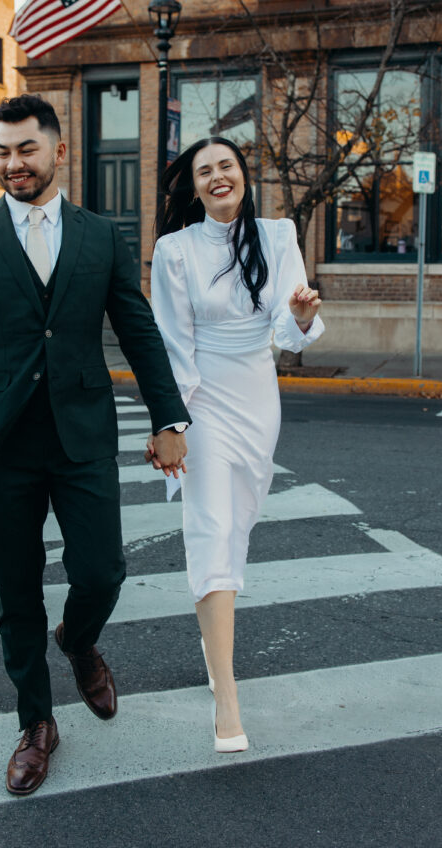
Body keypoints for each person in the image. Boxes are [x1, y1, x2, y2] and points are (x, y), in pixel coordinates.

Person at [0, 94, 189, 796]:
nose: (13, 163)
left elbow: (137, 330)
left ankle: (77, 639)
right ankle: (36, 725)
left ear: (57, 152)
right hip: (1, 442)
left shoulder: (100, 236)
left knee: (102, 570)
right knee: (16, 594)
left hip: (83, 435)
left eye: (26, 150)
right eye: (3, 151)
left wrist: (169, 419)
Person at [147, 136, 324, 753]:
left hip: (257, 396)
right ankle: (227, 696)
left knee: (239, 524)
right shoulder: (174, 250)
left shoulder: (277, 236)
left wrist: (300, 316)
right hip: (203, 400)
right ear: (193, 187)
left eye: (227, 166)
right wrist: (173, 423)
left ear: (243, 175)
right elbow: (171, 341)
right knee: (211, 526)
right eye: (205, 171)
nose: (218, 177)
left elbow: (286, 332)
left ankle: (210, 636)